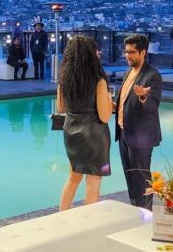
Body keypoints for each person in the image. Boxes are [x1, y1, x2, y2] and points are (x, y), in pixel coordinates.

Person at [57, 36, 112, 210]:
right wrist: (109, 101)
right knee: (94, 179)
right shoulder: (99, 81)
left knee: (73, 177)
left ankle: (61, 217)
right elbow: (104, 117)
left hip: (71, 133)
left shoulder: (64, 79)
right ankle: (89, 221)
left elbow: (60, 108)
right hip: (94, 136)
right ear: (91, 54)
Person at [114, 34, 163, 209]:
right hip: (124, 133)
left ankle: (146, 214)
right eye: (126, 51)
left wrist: (143, 97)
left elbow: (153, 106)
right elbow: (127, 100)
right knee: (130, 176)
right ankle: (136, 210)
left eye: (132, 52)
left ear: (143, 53)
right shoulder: (128, 72)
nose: (127, 55)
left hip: (141, 136)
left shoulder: (153, 75)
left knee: (141, 179)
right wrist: (116, 106)